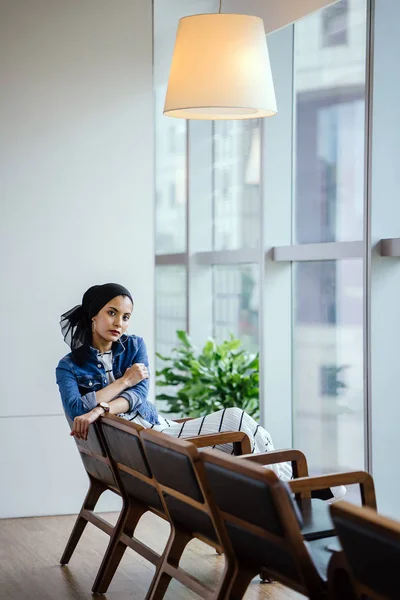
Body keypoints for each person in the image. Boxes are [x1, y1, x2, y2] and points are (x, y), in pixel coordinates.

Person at [56, 282, 345, 500]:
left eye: (127, 316)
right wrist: (123, 381)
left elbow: (139, 396)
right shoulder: (68, 367)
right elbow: (77, 409)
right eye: (112, 313)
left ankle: (286, 486)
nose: (120, 322)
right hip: (148, 447)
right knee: (236, 421)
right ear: (93, 315)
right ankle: (291, 487)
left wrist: (101, 406)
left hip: (155, 432)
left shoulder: (134, 346)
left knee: (239, 430)